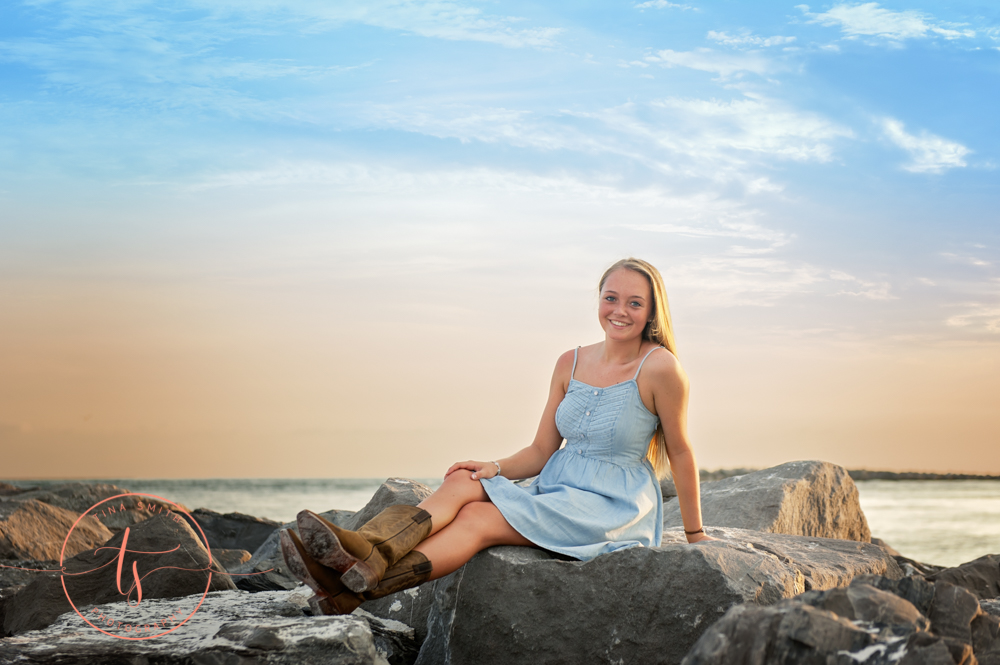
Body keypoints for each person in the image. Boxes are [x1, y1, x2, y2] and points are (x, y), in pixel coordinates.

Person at [279, 257, 715, 615]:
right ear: (598, 301)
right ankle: (366, 553)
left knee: (477, 520)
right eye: (611, 298)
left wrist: (694, 534)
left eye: (634, 303)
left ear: (652, 311)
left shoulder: (661, 368)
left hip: (609, 506)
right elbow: (543, 450)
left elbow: (680, 450)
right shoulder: (570, 361)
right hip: (557, 484)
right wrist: (495, 468)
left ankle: (353, 589)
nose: (620, 310)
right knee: (463, 481)